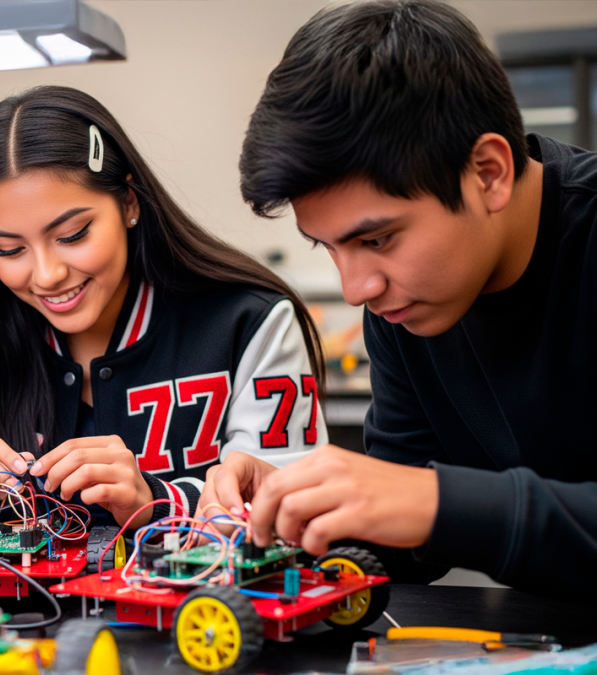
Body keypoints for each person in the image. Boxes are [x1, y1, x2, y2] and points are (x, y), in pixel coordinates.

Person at [202, 0, 597, 598]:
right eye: (328, 248)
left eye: (377, 238)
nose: (358, 288)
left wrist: (435, 501)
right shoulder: (407, 307)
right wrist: (302, 515)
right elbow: (400, 543)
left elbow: (426, 503)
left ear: (488, 172)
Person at [0, 86, 327, 537]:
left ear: (129, 203)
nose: (47, 275)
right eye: (9, 249)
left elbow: (295, 512)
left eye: (72, 235)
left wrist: (156, 501)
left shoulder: (249, 323)